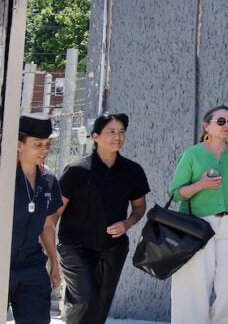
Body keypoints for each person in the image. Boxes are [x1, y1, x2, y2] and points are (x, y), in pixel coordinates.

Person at [57, 112, 150, 324]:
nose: (117, 136)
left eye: (121, 132)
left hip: (113, 249)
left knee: (100, 307)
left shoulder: (133, 171)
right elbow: (55, 213)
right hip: (75, 248)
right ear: (96, 137)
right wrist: (51, 253)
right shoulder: (76, 171)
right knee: (85, 303)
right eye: (111, 132)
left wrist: (127, 223)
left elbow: (139, 207)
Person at [169, 105, 228, 324]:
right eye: (221, 121)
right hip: (198, 228)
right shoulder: (192, 154)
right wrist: (201, 184)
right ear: (206, 126)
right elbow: (176, 194)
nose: (227, 126)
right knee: (194, 287)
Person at [10, 115, 64, 324]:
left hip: (32, 267)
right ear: (19, 145)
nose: (45, 149)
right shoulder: (2, 176)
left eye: (48, 144)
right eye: (38, 144)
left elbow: (47, 226)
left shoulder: (49, 180)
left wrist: (54, 264)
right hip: (0, 265)